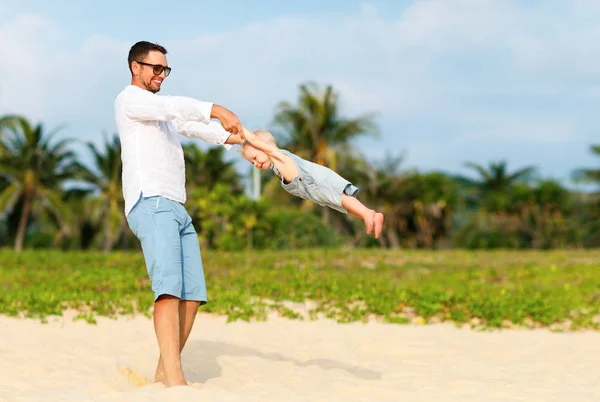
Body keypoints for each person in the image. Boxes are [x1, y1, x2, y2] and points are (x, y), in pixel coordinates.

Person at [114, 41, 244, 387]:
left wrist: (244, 143)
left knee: (193, 295)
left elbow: (193, 126)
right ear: (135, 67)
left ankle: (161, 375)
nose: (161, 75)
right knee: (168, 290)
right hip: (152, 202)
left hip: (176, 206)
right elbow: (176, 108)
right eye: (155, 68)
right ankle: (175, 380)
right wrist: (216, 108)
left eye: (165, 70)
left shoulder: (159, 111)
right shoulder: (130, 100)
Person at [238, 127, 384, 238]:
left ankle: (368, 213)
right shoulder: (274, 166)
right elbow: (245, 144)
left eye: (256, 158)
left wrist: (238, 127)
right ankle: (369, 215)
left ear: (264, 147)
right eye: (252, 162)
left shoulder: (276, 155)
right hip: (313, 191)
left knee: (341, 197)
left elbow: (254, 140)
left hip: (315, 179)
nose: (256, 164)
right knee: (340, 205)